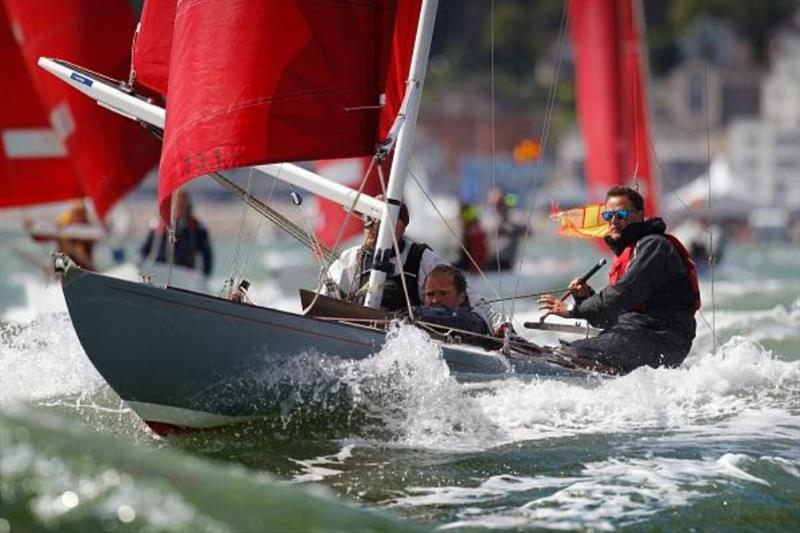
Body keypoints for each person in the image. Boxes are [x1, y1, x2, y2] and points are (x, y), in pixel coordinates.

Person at [538, 186, 700, 374]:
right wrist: (584, 297)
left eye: (621, 214)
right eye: (608, 216)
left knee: (573, 353)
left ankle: (597, 374)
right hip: (639, 332)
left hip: (663, 337)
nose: (614, 221)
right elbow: (607, 317)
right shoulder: (631, 251)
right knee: (567, 352)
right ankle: (607, 373)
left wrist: (572, 310)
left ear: (639, 215)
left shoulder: (655, 247)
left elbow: (622, 294)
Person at [322, 198, 509, 335]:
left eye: (372, 221)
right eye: (365, 221)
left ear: (397, 227)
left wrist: (502, 327)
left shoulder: (423, 259)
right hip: (355, 337)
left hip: (406, 343)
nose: (367, 227)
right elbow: (321, 304)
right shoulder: (350, 259)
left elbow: (472, 300)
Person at [140, 190, 213, 278]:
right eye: (178, 204)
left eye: (183, 204)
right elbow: (144, 251)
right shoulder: (158, 227)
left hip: (185, 273)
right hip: (160, 270)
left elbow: (207, 255)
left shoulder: (196, 228)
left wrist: (204, 276)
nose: (180, 207)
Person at [414, 264, 491, 335]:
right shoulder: (416, 317)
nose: (435, 300)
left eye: (443, 293)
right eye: (430, 294)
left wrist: (417, 315)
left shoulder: (475, 319)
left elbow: (460, 321)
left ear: (461, 297)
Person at [27, 200, 97, 270]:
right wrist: (33, 230)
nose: (79, 217)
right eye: (76, 214)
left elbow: (92, 240)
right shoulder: (63, 223)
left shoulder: (88, 226)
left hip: (84, 266)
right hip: (62, 266)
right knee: (60, 253)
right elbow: (42, 237)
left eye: (81, 214)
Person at [485, 188, 526, 271]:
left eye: (498, 202)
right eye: (493, 203)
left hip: (506, 259)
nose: (496, 205)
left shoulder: (513, 214)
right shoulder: (489, 215)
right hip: (490, 257)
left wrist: (507, 228)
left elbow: (527, 231)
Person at [454, 202, 487, 273]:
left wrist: (475, 268)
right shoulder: (473, 229)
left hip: (472, 266)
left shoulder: (473, 231)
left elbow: (478, 252)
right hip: (470, 264)